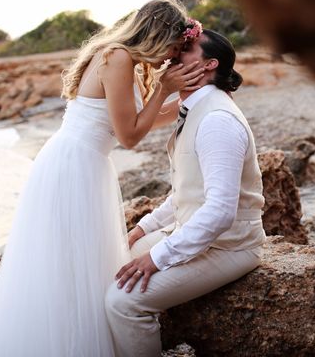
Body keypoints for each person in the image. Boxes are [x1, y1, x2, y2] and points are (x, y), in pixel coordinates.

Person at [0, 0, 205, 357]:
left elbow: (133, 125)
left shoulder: (120, 58)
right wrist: (164, 88)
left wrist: (193, 98)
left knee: (80, 264)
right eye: (172, 48)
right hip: (73, 167)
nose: (169, 58)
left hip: (84, 164)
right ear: (157, 34)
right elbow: (129, 136)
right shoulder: (117, 58)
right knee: (70, 265)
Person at [104, 28, 266, 356]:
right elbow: (186, 189)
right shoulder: (194, 108)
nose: (175, 52)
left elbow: (220, 211)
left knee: (122, 301)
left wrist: (157, 257)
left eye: (186, 49)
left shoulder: (217, 120)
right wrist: (143, 228)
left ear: (209, 65)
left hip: (231, 246)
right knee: (114, 263)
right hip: (193, 231)